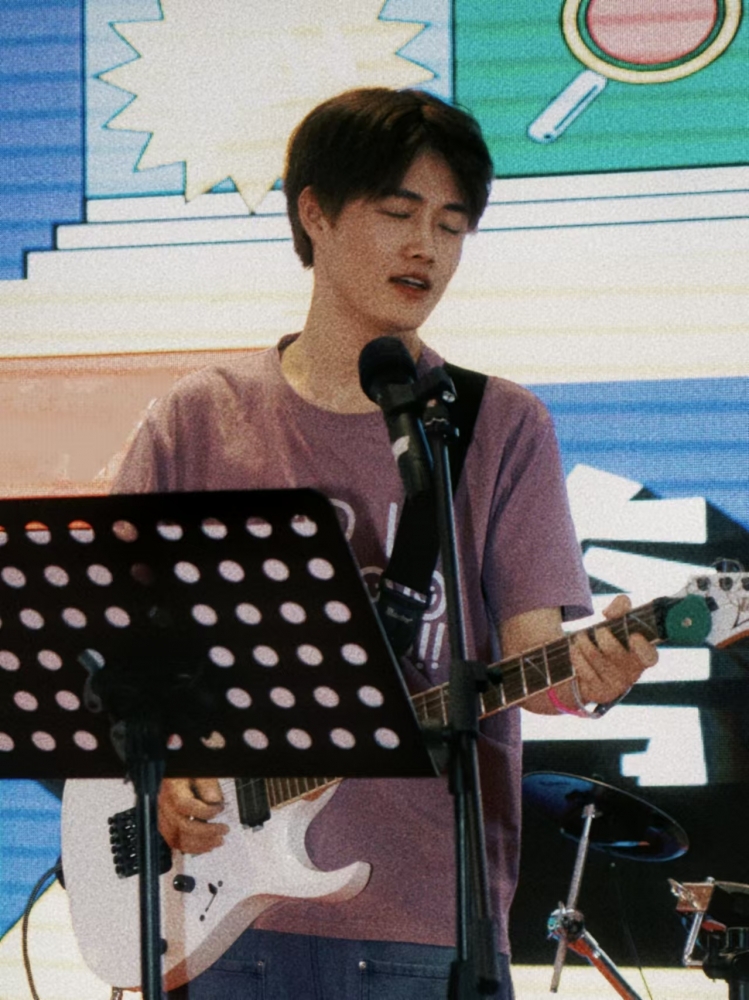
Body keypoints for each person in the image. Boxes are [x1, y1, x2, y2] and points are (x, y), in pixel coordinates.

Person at [113, 87, 658, 999]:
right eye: (397, 213)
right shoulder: (201, 418)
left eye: (451, 225)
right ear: (314, 214)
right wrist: (166, 769)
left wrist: (593, 675)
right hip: (211, 911)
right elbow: (113, 650)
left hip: (423, 916)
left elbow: (535, 659)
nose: (425, 249)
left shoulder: (499, 423)